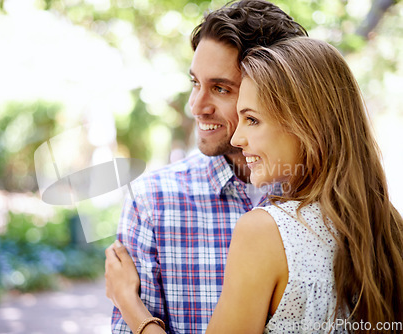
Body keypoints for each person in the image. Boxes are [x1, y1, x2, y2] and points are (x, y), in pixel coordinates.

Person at [106, 37, 403, 333]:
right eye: (194, 83)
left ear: (306, 125)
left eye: (251, 119)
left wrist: (131, 306)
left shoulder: (263, 230)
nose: (238, 138)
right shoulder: (389, 227)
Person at [111, 1, 307, 333]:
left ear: (275, 91)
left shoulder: (325, 198)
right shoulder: (153, 203)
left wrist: (135, 311)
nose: (196, 106)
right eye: (195, 83)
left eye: (220, 88)